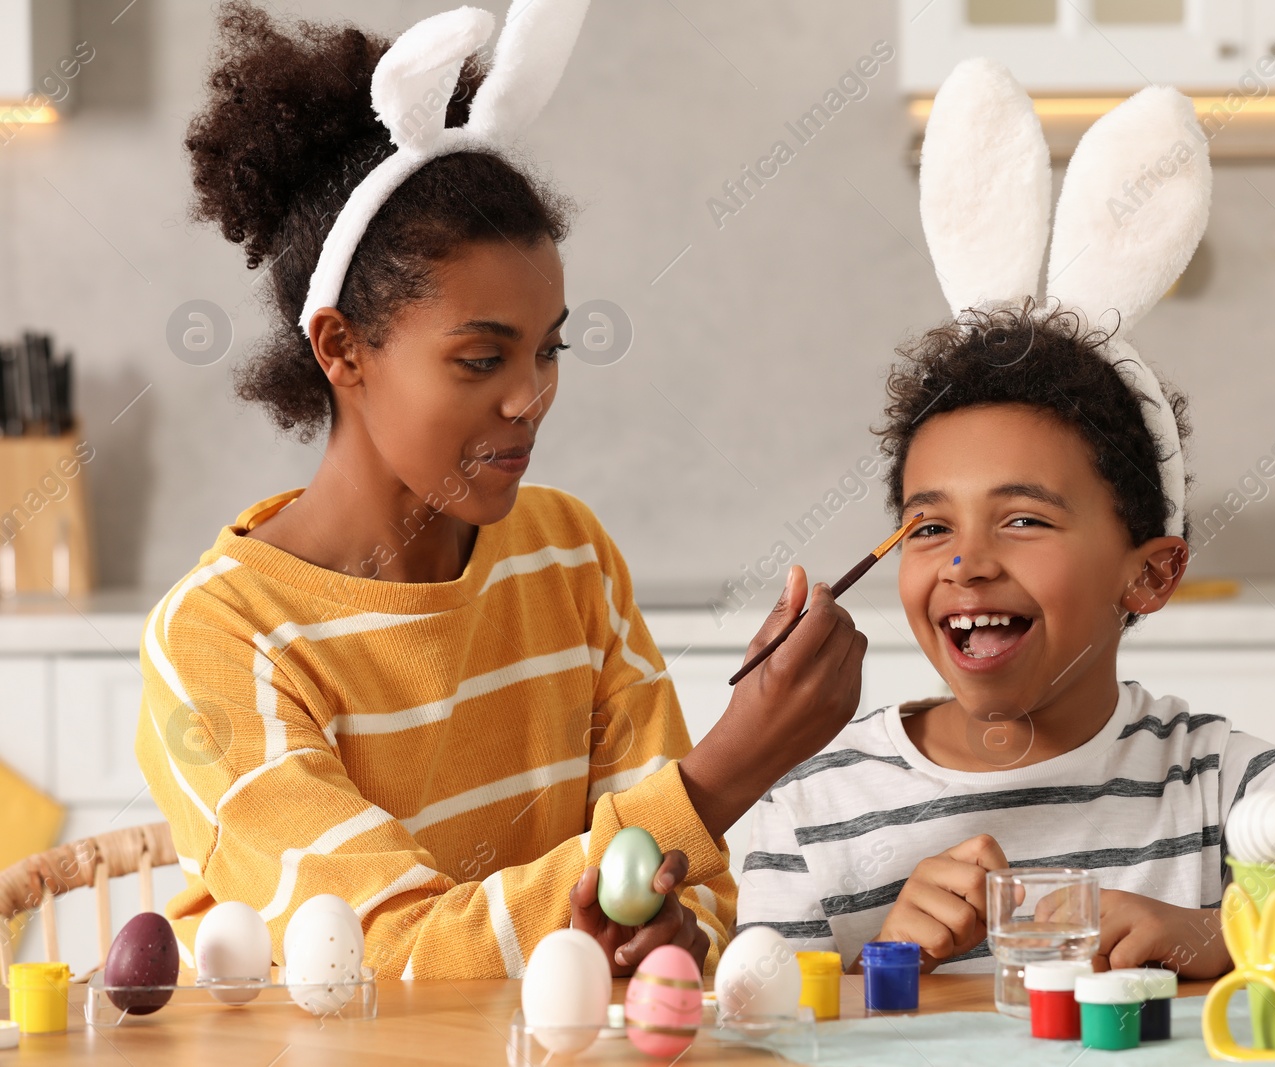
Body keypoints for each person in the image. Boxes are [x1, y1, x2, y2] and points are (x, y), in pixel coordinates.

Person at [135, 1, 866, 980]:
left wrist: (666, 930)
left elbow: (687, 892)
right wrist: (728, 768)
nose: (532, 397)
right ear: (341, 348)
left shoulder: (567, 552)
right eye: (481, 358)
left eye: (547, 348)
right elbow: (380, 958)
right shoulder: (218, 641)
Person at [735, 63, 1275, 977]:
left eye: (1024, 521)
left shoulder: (1219, 786)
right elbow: (753, 1026)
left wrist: (1212, 937)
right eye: (928, 528)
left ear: (1152, 573)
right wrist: (881, 958)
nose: (965, 562)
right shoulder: (810, 811)